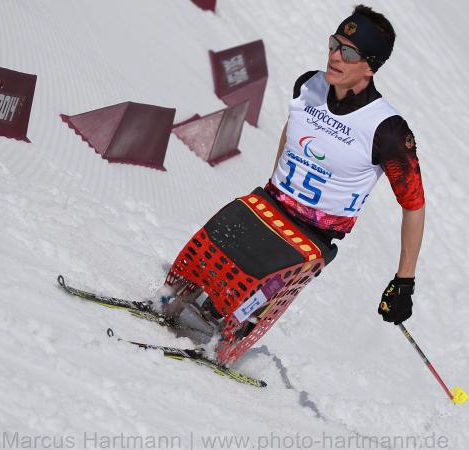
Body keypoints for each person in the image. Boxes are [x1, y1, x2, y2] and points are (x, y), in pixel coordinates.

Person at [163, 4, 425, 347]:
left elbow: (414, 205)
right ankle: (172, 302)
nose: (334, 56)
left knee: (243, 297)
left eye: (348, 52)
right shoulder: (309, 84)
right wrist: (273, 186)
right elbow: (293, 130)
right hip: (269, 205)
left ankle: (223, 334)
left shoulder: (387, 130)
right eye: (333, 44)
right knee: (206, 253)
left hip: (310, 237)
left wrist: (404, 281)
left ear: (369, 66)